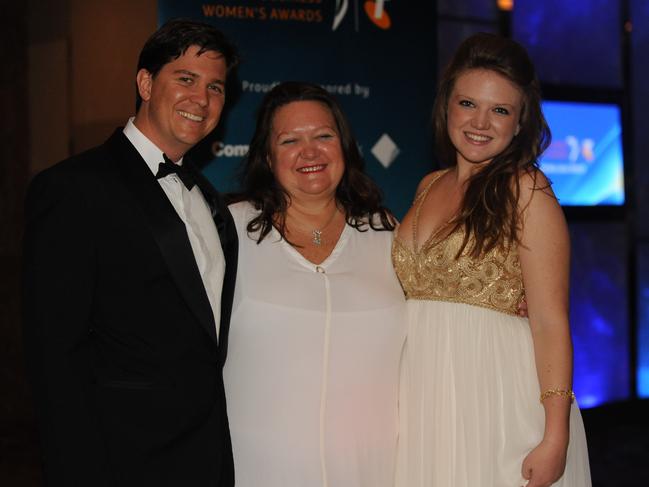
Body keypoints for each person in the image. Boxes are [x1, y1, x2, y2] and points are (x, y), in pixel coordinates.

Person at [23, 19, 239, 487]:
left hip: (206, 459)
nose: (201, 99)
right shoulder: (73, 188)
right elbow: (55, 357)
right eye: (185, 78)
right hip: (120, 463)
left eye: (215, 87)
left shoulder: (211, 199)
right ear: (145, 82)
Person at [392, 33, 592, 487]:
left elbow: (548, 321)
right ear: (447, 106)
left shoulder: (528, 192)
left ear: (520, 123)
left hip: (496, 396)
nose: (480, 122)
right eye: (468, 104)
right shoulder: (427, 185)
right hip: (424, 394)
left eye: (500, 110)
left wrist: (555, 434)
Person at [223, 81, 406, 487]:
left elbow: (439, 312)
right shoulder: (228, 231)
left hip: (375, 469)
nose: (310, 151)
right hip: (258, 469)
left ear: (345, 145)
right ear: (268, 157)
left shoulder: (386, 231)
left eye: (324, 135)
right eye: (290, 140)